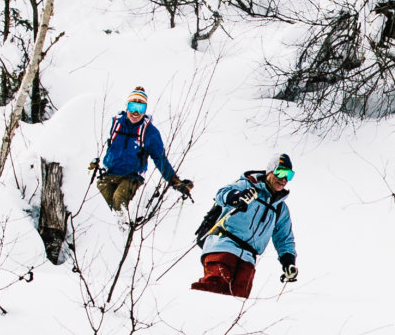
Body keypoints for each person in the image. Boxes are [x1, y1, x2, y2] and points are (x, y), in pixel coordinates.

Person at [190, 153, 297, 298]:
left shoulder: (280, 208)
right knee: (213, 289)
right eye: (281, 172)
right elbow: (221, 194)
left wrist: (288, 261)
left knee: (237, 302)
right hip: (223, 245)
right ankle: (188, 310)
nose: (284, 179)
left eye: (289, 175)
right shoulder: (247, 185)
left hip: (248, 258)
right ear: (270, 171)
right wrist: (236, 196)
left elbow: (284, 238)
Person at [89, 86, 193, 213]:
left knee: (118, 202)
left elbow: (160, 159)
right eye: (133, 107)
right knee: (99, 207)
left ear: (145, 111)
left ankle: (121, 229)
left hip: (131, 177)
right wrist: (93, 163)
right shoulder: (114, 124)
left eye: (140, 108)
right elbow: (96, 143)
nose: (135, 113)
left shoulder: (150, 132)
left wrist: (175, 181)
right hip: (109, 173)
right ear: (127, 107)